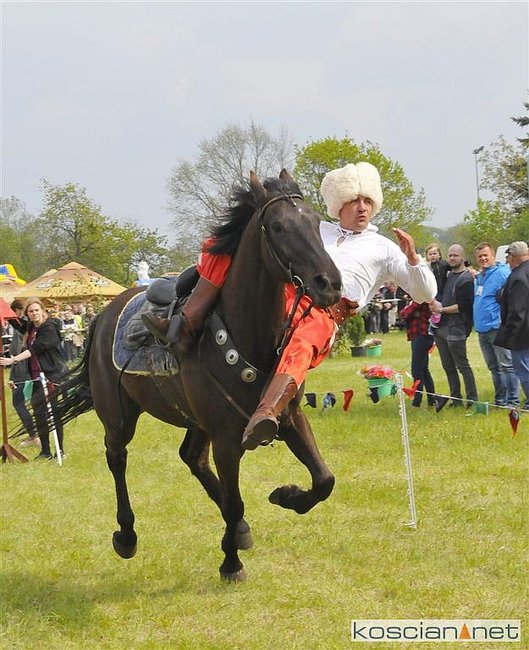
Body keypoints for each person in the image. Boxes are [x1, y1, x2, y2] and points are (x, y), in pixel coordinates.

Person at [142, 162, 437, 449]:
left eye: (367, 201)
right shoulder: (315, 226)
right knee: (228, 245)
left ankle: (267, 412)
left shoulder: (384, 247)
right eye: (354, 200)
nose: (362, 208)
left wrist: (413, 259)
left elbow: (426, 293)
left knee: (303, 340)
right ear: (339, 205)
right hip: (286, 295)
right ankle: (186, 324)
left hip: (325, 312)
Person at [0, 298, 68, 460]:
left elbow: (35, 349)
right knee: (39, 412)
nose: (34, 313)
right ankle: (45, 451)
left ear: (43, 310)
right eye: (31, 311)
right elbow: (18, 325)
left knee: (54, 412)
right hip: (37, 377)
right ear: (27, 314)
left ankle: (60, 451)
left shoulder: (49, 327)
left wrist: (13, 360)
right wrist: (5, 310)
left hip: (52, 375)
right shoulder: (31, 326)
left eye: (37, 310)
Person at [430, 244, 478, 408]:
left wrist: (441, 310)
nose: (452, 258)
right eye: (450, 255)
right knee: (448, 366)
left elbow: (463, 306)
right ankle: (456, 399)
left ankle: (472, 400)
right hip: (441, 327)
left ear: (463, 257)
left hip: (457, 327)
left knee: (462, 365)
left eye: (455, 255)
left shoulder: (466, 279)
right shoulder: (449, 275)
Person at [472, 242, 519, 407]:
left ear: (493, 256)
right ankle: (500, 400)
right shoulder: (479, 276)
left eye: (486, 255)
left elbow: (514, 296)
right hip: (482, 328)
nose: (483, 258)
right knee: (493, 367)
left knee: (506, 365)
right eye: (480, 256)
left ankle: (513, 400)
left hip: (497, 328)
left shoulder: (503, 273)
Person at [494, 241, 529, 410]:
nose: (507, 260)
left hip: (521, 332)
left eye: (508, 257)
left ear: (513, 257)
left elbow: (517, 310)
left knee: (523, 369)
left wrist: (509, 334)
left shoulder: (518, 276)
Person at [7, 300, 39, 447]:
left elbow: (16, 350)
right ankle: (36, 434)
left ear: (17, 311)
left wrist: (13, 377)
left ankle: (33, 435)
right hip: (26, 368)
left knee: (18, 403)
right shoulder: (28, 325)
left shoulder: (23, 325)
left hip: (22, 370)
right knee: (32, 403)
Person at [399, 299, 436, 408]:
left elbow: (405, 313)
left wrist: (407, 310)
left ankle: (417, 400)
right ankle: (431, 399)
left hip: (421, 336)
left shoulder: (420, 300)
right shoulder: (418, 300)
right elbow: (403, 313)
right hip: (422, 337)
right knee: (424, 370)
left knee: (416, 370)